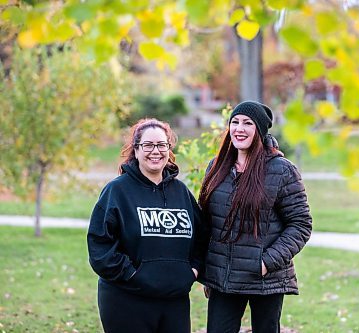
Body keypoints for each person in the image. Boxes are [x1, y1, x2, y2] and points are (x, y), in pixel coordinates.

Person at [198, 101, 313, 333]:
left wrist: (266, 262)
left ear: (259, 131)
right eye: (235, 122)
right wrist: (207, 269)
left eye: (248, 123)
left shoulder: (281, 170)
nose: (239, 128)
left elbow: (300, 224)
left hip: (265, 278)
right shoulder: (217, 166)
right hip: (224, 278)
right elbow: (206, 222)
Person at [87, 118, 203, 333]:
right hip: (127, 300)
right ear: (136, 150)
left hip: (174, 302)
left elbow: (201, 238)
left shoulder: (181, 192)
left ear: (169, 149)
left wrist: (192, 271)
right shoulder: (117, 191)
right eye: (148, 145)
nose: (155, 151)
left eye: (161, 145)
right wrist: (133, 274)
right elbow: (100, 247)